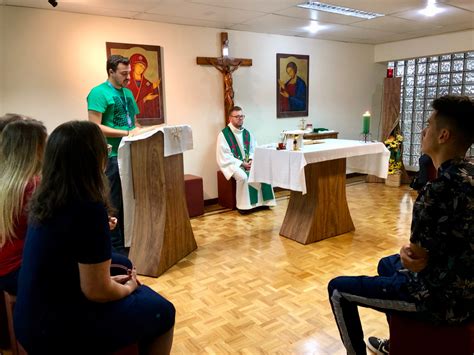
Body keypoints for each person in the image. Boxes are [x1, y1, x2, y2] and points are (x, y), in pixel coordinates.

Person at [327, 95, 473, 355]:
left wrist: (410, 255)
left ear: (443, 136)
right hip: (465, 283)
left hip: (440, 299)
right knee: (386, 264)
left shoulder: (437, 191)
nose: (423, 130)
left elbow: (414, 259)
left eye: (428, 125)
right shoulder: (469, 173)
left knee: (338, 289)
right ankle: (397, 345)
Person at [14, 120, 175, 354]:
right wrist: (129, 287)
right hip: (56, 329)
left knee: (123, 273)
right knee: (163, 310)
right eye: (105, 152)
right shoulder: (87, 205)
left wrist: (109, 282)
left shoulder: (46, 195)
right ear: (91, 160)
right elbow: (96, 292)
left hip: (30, 317)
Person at [87, 54, 141, 254]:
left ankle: (130, 239)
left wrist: (139, 132)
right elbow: (95, 126)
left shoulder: (127, 94)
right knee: (114, 200)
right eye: (124, 73)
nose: (128, 77)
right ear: (111, 72)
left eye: (129, 72)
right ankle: (116, 248)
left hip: (130, 153)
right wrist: (127, 132)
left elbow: (134, 123)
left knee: (130, 199)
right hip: (110, 157)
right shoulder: (98, 93)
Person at [0, 119, 47, 295]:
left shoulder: (6, 183)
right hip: (23, 271)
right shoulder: (34, 186)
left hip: (6, 268)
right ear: (36, 149)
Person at [216, 106, 276, 213]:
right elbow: (224, 155)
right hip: (232, 164)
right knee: (243, 176)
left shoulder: (247, 133)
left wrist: (251, 160)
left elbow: (254, 149)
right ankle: (243, 206)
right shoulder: (224, 135)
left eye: (241, 116)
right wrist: (241, 164)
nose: (240, 118)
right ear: (230, 118)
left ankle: (264, 203)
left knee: (264, 171)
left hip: (248, 163)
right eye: (237, 116)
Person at [128, 53, 161, 120]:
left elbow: (154, 101)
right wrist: (145, 99)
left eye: (143, 67)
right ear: (134, 65)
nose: (141, 69)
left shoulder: (147, 83)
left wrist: (154, 88)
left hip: (143, 115)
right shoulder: (126, 82)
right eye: (140, 65)